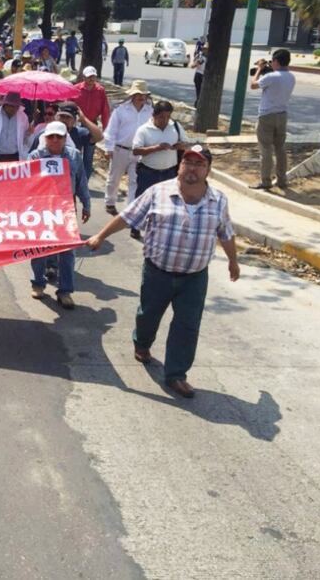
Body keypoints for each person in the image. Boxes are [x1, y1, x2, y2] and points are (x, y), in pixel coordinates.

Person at [86, 146, 240, 399]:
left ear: (208, 170)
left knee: (187, 325)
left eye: (199, 164)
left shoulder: (219, 200)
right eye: (187, 162)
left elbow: (226, 233)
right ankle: (142, 343)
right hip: (158, 272)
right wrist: (100, 236)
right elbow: (127, 217)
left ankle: (176, 374)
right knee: (148, 314)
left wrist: (233, 261)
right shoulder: (158, 192)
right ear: (179, 166)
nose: (192, 168)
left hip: (194, 277)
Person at [27, 121, 91, 309]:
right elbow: (25, 184)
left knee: (67, 251)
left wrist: (86, 204)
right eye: (51, 136)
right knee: (40, 248)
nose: (55, 140)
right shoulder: (35, 157)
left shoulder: (74, 156)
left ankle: (65, 291)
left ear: (65, 138)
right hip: (41, 210)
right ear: (45, 138)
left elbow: (81, 180)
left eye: (59, 136)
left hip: (66, 209)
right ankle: (38, 283)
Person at [132, 100, 192, 238]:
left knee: (167, 202)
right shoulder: (144, 130)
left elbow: (186, 143)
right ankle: (135, 226)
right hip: (148, 171)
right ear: (154, 115)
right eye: (161, 117)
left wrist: (180, 146)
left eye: (167, 117)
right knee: (143, 201)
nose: (164, 120)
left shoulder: (175, 126)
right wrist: (156, 148)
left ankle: (161, 228)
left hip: (169, 172)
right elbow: (136, 150)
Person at [103, 80, 152, 215]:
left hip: (139, 151)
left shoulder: (150, 112)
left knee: (134, 181)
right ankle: (110, 202)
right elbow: (111, 130)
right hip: (120, 149)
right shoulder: (121, 110)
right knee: (114, 178)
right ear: (132, 95)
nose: (141, 97)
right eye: (138, 94)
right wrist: (109, 148)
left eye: (143, 94)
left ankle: (130, 209)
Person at [250, 48, 296, 190]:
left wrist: (259, 69)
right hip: (282, 115)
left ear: (276, 61)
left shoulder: (271, 77)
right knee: (280, 149)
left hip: (266, 116)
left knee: (266, 150)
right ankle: (282, 180)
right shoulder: (291, 77)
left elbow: (253, 85)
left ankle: (266, 181)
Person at [74, 66, 111, 132]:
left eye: (93, 76)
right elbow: (69, 105)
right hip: (77, 123)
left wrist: (105, 128)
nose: (91, 79)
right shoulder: (76, 89)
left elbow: (105, 110)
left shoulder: (100, 90)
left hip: (93, 123)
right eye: (89, 77)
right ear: (83, 77)